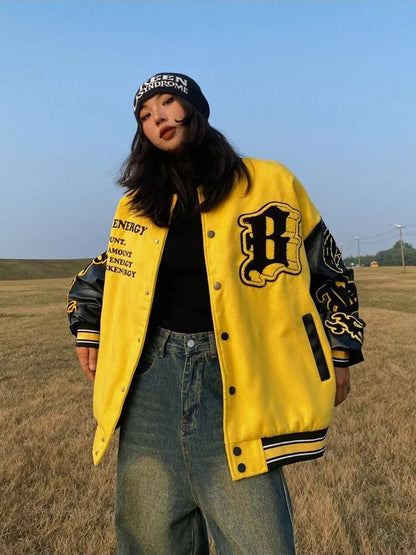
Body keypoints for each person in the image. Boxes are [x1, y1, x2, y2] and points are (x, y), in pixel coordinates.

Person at [67, 72, 365, 554]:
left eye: (167, 102)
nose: (156, 118)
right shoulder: (136, 205)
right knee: (151, 540)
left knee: (260, 542)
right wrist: (87, 326)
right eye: (144, 115)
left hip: (240, 375)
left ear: (195, 109)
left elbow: (329, 269)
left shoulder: (271, 182)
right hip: (152, 382)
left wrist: (340, 348)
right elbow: (105, 272)